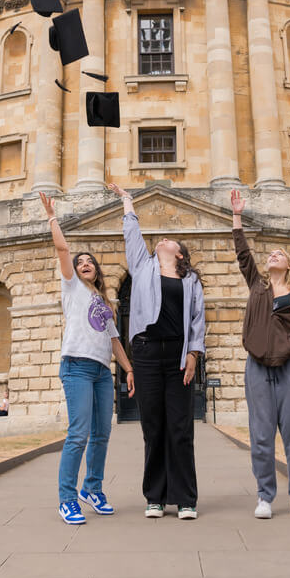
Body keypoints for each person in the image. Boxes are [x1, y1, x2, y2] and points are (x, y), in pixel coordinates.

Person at [108, 182, 205, 520]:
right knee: (153, 425)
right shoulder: (143, 266)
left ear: (180, 254)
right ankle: (155, 496)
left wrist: (194, 354)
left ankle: (186, 498)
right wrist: (127, 201)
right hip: (147, 353)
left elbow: (197, 321)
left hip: (178, 355)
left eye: (168, 241)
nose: (160, 241)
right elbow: (132, 236)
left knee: (180, 426)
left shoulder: (191, 281)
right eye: (158, 241)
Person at [230, 189, 290, 519]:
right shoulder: (257, 286)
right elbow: (244, 255)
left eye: (279, 254)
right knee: (260, 436)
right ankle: (265, 496)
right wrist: (237, 217)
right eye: (270, 253)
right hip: (256, 367)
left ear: (288, 265)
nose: (273, 255)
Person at [41, 191, 134, 525]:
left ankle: (91, 488)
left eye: (89, 262)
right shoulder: (72, 287)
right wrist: (53, 217)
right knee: (79, 434)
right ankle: (67, 498)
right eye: (80, 262)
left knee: (102, 435)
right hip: (77, 367)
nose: (84, 264)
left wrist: (127, 370)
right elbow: (63, 249)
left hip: (100, 372)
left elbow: (114, 341)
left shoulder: (106, 303)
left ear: (97, 270)